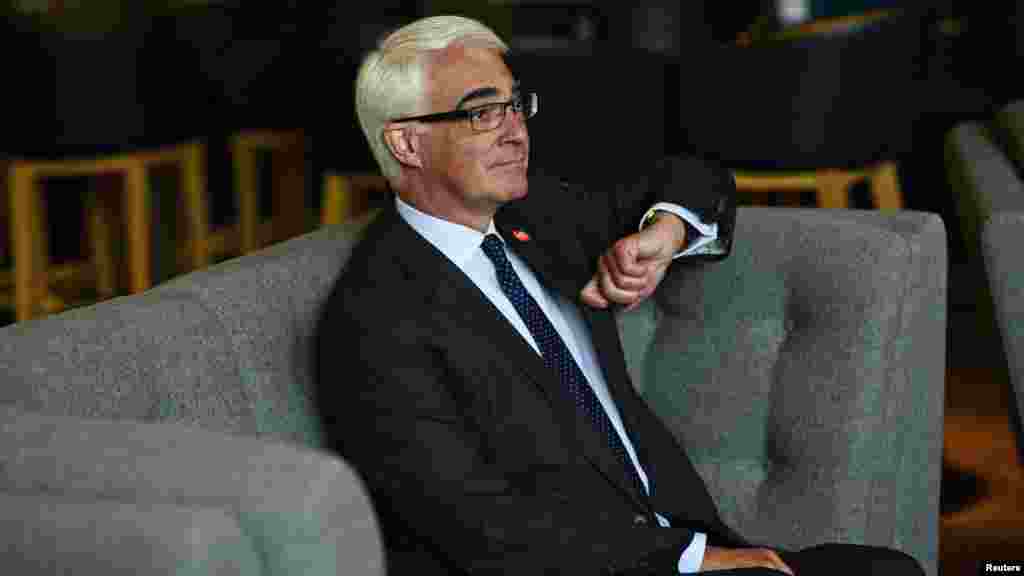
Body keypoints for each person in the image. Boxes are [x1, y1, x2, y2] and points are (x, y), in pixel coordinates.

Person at [315, 15, 925, 575]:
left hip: (682, 535)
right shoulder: (374, 318)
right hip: (605, 564)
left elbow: (692, 175)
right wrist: (693, 560)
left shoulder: (536, 215)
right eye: (481, 113)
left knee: (888, 570)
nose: (515, 131)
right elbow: (475, 525)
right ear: (406, 144)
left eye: (515, 105)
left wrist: (665, 231)